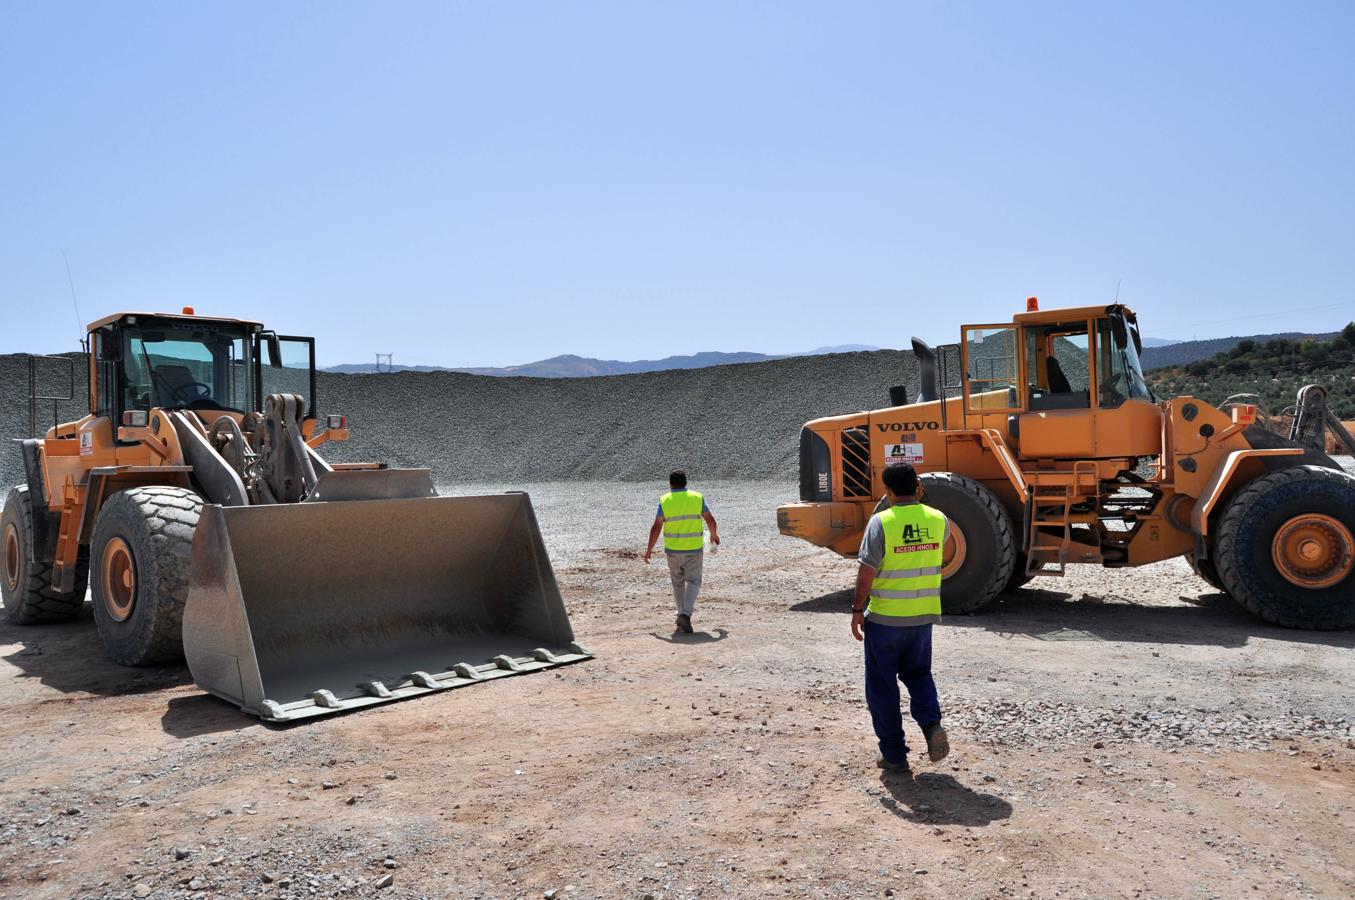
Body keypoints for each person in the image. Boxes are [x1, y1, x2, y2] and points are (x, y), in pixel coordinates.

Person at [850, 463, 950, 774]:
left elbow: (867, 572)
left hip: (886, 619)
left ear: (888, 491)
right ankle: (931, 724)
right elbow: (939, 554)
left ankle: (894, 754)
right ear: (918, 488)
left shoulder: (882, 522)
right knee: (919, 674)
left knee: (882, 687)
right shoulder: (939, 520)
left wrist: (856, 609)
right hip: (922, 618)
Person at [644, 470, 720, 633]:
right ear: (686, 483)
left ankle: (680, 615)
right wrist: (713, 535)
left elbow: (657, 526)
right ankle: (685, 614)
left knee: (677, 582)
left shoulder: (665, 500)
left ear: (670, 483)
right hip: (693, 549)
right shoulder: (697, 498)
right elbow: (710, 519)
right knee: (693, 581)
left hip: (673, 550)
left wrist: (649, 549)